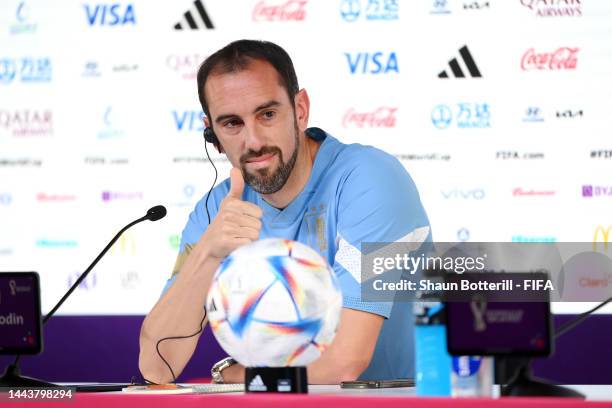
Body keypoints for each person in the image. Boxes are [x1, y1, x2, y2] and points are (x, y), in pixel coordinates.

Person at [139, 39, 431, 384]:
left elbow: (345, 361)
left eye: (268, 114)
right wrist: (208, 252)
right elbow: (157, 365)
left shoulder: (371, 179)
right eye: (232, 123)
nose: (254, 140)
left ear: (300, 108)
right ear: (211, 133)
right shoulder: (217, 211)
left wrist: (236, 375)